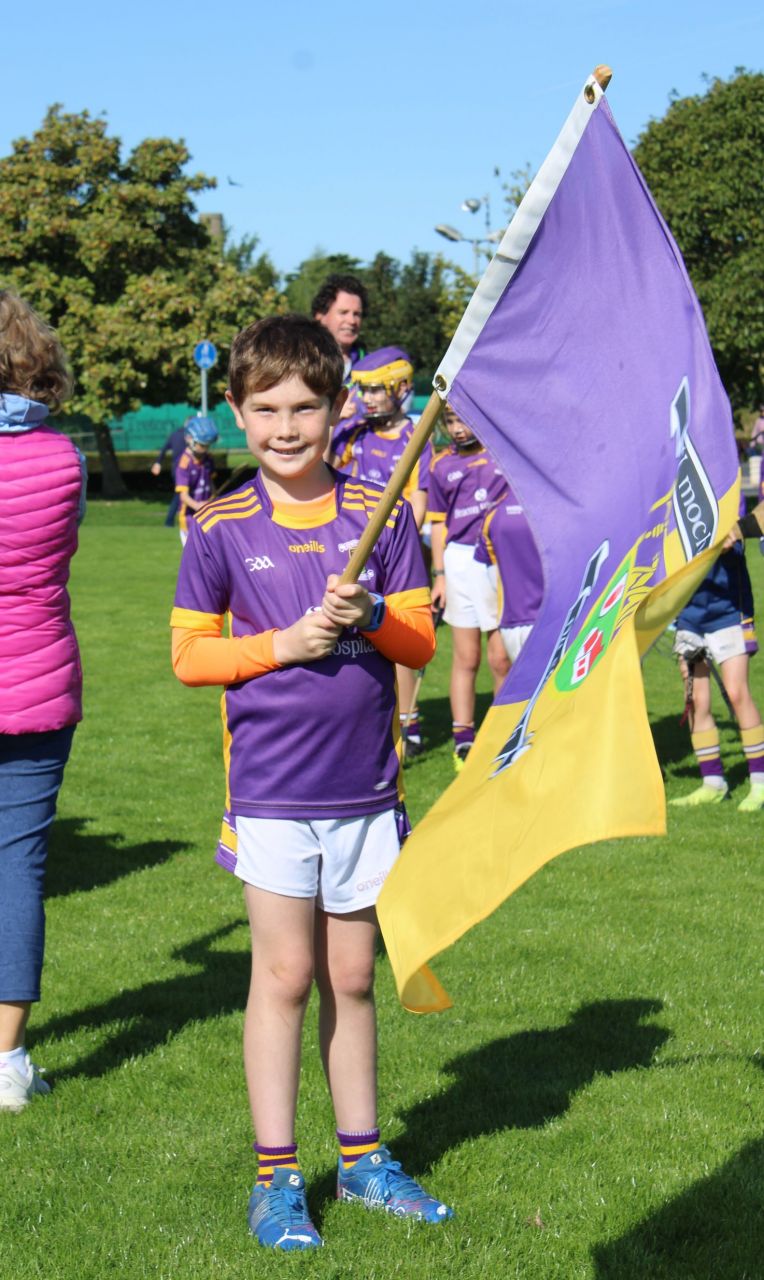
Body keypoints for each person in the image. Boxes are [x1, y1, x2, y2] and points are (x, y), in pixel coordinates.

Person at [170, 314, 451, 1251]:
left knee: (351, 974)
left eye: (304, 407)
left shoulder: (383, 514)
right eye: (265, 410)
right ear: (241, 417)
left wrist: (370, 612)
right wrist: (280, 647)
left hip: (367, 792)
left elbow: (419, 639)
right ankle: (277, 1172)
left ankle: (365, 1159)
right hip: (272, 795)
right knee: (284, 975)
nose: (285, 427)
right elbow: (187, 656)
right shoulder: (218, 524)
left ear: (337, 410)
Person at [0, 291, 85, 1111]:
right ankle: (7, 1062)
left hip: (27, 677)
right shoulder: (64, 458)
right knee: (16, 868)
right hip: (38, 678)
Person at [332, 347, 433, 755]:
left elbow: (419, 501)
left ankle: (406, 725)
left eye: (376, 390)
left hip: (394, 556)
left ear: (403, 387)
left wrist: (396, 546)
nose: (368, 398)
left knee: (396, 636)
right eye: (363, 390)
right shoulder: (353, 433)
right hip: (351, 554)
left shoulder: (415, 436)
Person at [670, 494, 764, 813]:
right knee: (697, 700)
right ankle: (713, 784)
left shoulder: (723, 489)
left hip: (728, 610)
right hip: (689, 614)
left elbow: (742, 528)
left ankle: (760, 783)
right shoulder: (671, 496)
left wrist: (734, 533)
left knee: (737, 693)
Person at [428, 405, 509, 770]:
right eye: (451, 421)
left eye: (463, 419)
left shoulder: (502, 455)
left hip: (499, 560)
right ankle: (463, 740)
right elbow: (439, 525)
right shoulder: (441, 465)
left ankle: (507, 733)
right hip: (460, 563)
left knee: (500, 658)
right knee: (466, 658)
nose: (458, 429)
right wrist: (440, 574)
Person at [474, 484, 544, 665]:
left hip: (512, 622)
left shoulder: (493, 515)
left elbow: (489, 576)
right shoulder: (552, 509)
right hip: (550, 619)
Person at [312, 274, 368, 421]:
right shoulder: (301, 363)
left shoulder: (371, 365)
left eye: (357, 314)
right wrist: (332, 414)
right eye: (343, 313)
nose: (352, 321)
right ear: (320, 317)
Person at [175, 416, 218, 545]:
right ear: (190, 439)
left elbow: (211, 483)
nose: (206, 448)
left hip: (207, 516)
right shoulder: (184, 463)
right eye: (202, 445)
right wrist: (198, 506)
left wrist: (215, 498)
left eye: (208, 446)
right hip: (189, 519)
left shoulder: (208, 459)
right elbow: (183, 496)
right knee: (195, 562)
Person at [150, 425, 188, 527]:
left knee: (180, 494)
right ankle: (169, 521)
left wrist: (158, 463)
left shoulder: (174, 434)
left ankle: (171, 521)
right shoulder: (190, 435)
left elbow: (163, 450)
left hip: (175, 470)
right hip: (184, 470)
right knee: (180, 494)